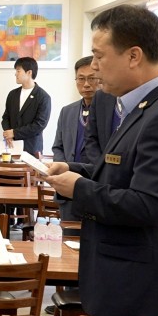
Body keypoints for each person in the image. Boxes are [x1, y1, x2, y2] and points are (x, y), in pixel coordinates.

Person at [44, 4, 158, 316]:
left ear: (133, 56)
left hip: (141, 288)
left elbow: (148, 205)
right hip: (124, 284)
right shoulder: (140, 108)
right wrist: (77, 171)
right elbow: (124, 174)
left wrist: (78, 188)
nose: (94, 66)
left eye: (99, 56)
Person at [51, 56, 99, 220]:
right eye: (81, 79)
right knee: (67, 242)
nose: (86, 84)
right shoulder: (67, 111)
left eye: (92, 78)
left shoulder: (111, 112)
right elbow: (58, 146)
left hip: (94, 189)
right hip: (66, 190)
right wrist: (62, 166)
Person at [1, 56, 51, 156]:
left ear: (29, 73)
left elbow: (39, 125)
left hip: (32, 149)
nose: (15, 74)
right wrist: (8, 134)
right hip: (11, 147)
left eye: (18, 71)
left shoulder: (43, 97)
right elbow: (6, 117)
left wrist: (14, 132)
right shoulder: (12, 94)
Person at [81, 88, 120, 167]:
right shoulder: (101, 96)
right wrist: (101, 167)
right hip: (102, 170)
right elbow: (90, 137)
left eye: (92, 78)